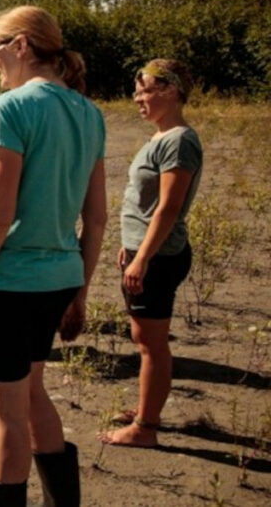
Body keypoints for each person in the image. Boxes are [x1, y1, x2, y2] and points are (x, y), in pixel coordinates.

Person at [0, 6, 106, 506]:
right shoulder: (88, 112)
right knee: (32, 396)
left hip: (9, 282)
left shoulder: (11, 108)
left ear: (20, 46)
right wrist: (79, 290)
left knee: (5, 413)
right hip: (58, 278)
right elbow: (96, 218)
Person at [100, 59, 202, 449]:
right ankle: (147, 407)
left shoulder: (179, 141)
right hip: (146, 252)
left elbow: (168, 208)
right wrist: (130, 247)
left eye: (145, 90)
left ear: (172, 91)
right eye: (137, 90)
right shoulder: (160, 137)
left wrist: (142, 257)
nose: (137, 97)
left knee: (151, 343)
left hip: (158, 257)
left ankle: (146, 428)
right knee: (145, 338)